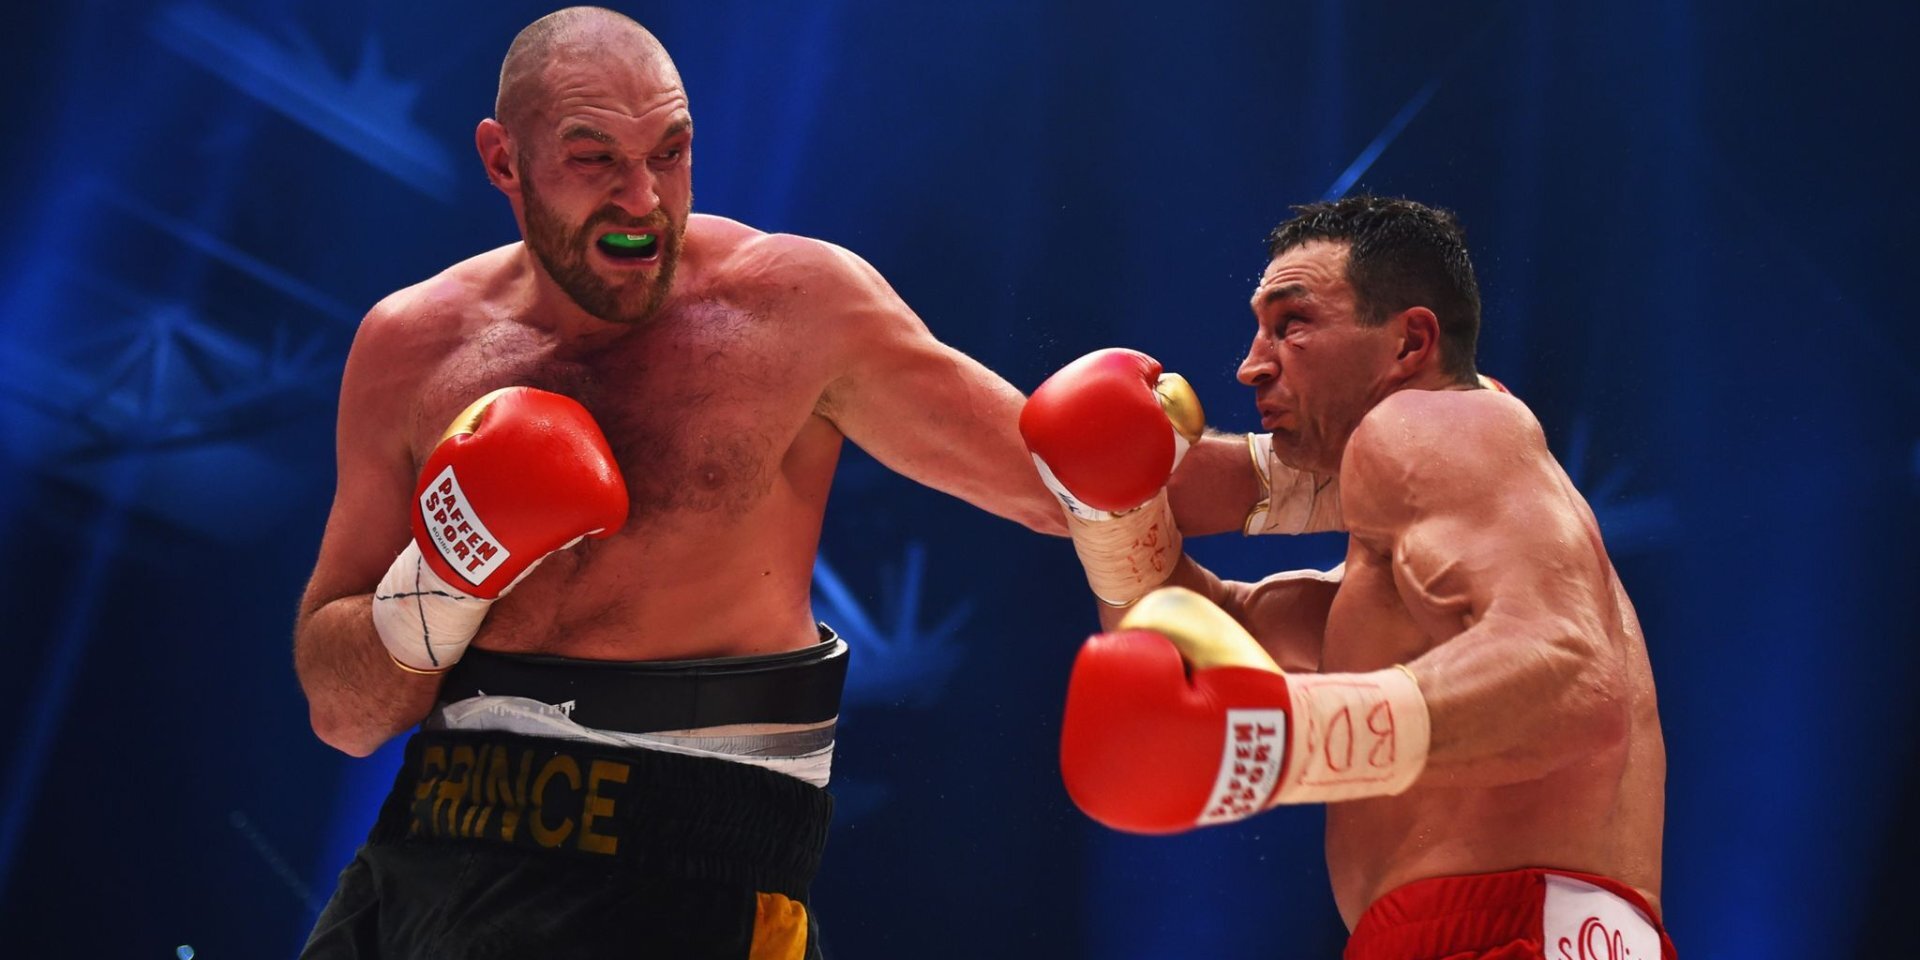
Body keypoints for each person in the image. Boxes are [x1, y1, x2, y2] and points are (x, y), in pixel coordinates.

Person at [289, 7, 1246, 956]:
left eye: (670, 152)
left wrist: (1313, 471)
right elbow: (343, 714)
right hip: (426, 850)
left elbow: (1072, 479)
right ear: (504, 161)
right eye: (594, 159)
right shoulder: (412, 347)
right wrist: (443, 575)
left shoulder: (794, 308)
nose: (642, 198)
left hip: (682, 867)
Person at [1021, 195, 1675, 959]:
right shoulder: (1400, 584)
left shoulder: (1436, 421)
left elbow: (1576, 686)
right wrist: (1115, 521)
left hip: (1519, 925)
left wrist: (1287, 740)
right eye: (1259, 329)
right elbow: (1179, 649)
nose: (1251, 365)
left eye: (1293, 323)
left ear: (1410, 342)